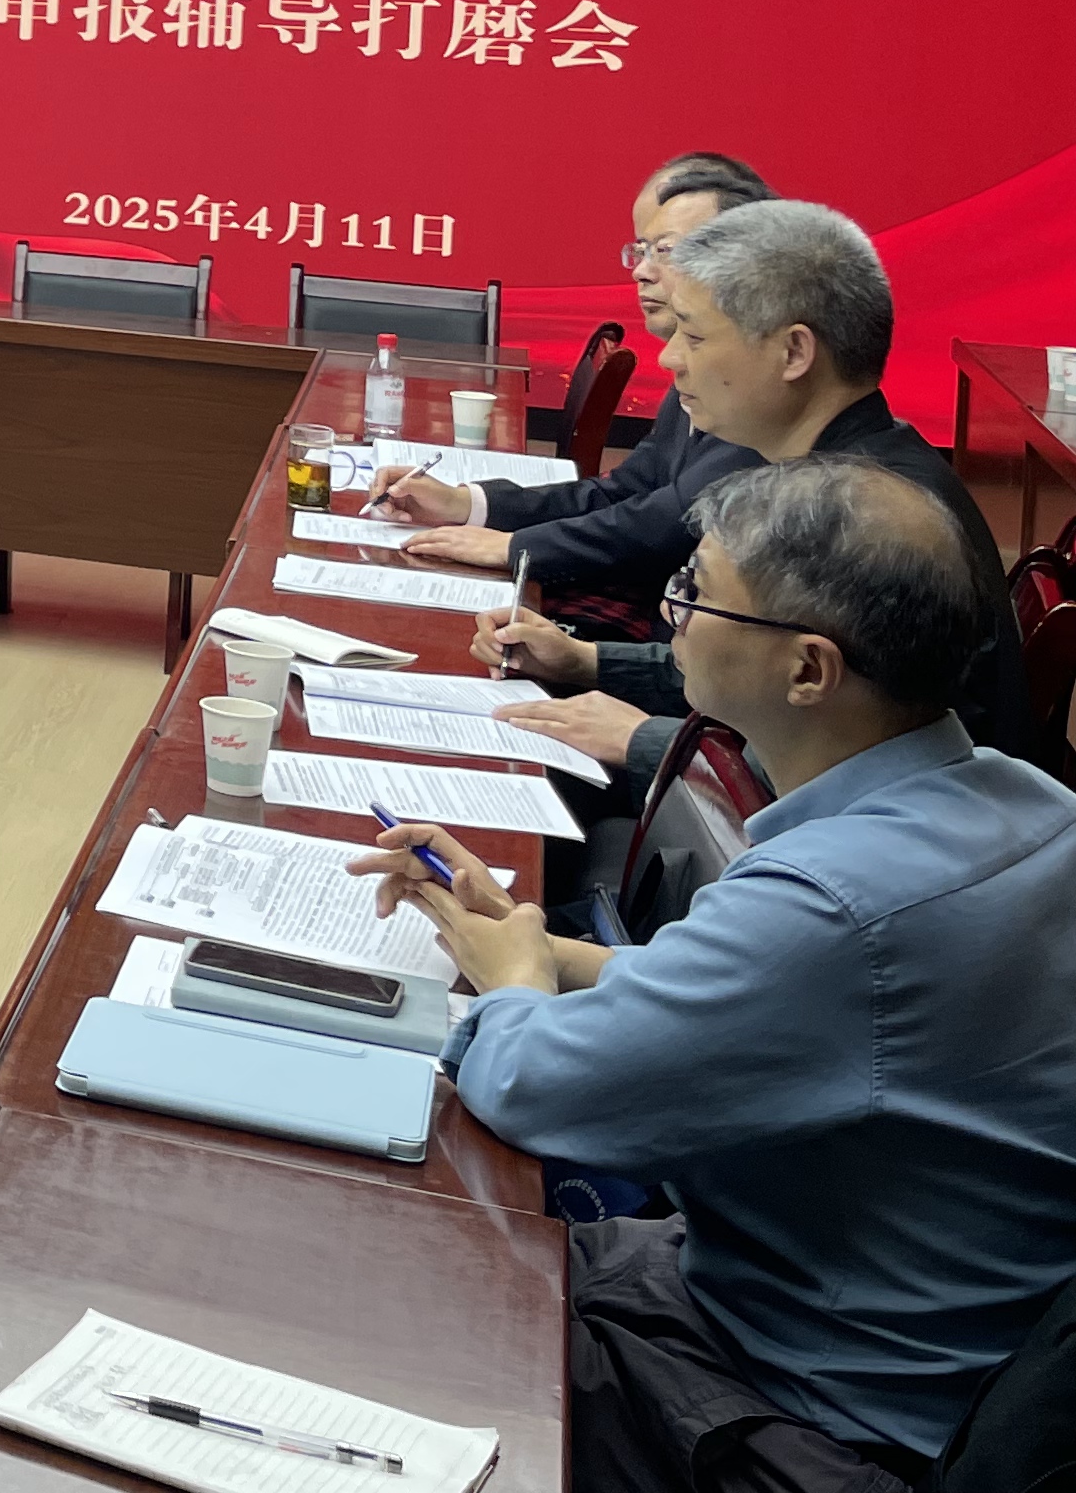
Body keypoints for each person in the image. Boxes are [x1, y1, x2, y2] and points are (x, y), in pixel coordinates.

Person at [353, 457, 1076, 1490]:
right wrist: (539, 947)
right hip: (906, 1336)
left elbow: (531, 1087)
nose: (672, 615)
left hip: (802, 1407)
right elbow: (810, 1012)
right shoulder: (1029, 801)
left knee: (377, 1293)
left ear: (809, 671)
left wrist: (514, 988)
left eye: (697, 593)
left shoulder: (832, 902)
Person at [464, 200, 1033, 788]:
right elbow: (757, 663)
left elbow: (830, 767)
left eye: (694, 335)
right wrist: (586, 660)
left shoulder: (857, 514)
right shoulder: (844, 466)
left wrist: (644, 740)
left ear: (794, 353)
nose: (670, 357)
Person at [367, 151, 770, 609]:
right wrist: (468, 505)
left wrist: (514, 548)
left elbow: (666, 524)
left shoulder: (760, 393)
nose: (641, 270)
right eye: (641, 249)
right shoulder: (695, 372)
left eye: (666, 250)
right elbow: (624, 492)